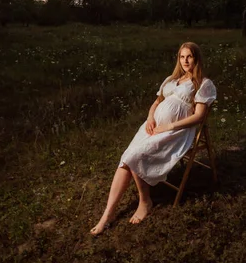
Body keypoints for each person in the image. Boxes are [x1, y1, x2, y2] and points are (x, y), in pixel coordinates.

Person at [90, 42, 217, 235]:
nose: (185, 61)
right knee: (126, 158)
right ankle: (107, 214)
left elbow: (199, 117)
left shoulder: (203, 83)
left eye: (189, 56)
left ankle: (144, 201)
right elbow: (157, 102)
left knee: (133, 155)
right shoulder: (172, 79)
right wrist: (150, 118)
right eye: (182, 57)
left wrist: (169, 126)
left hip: (176, 132)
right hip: (153, 127)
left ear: (197, 58)